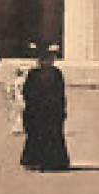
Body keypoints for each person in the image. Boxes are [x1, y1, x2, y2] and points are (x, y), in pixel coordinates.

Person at [20, 43, 70, 171]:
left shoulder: (35, 74)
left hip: (39, 110)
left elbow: (26, 92)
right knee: (51, 136)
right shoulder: (55, 73)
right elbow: (60, 94)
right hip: (49, 110)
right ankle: (52, 162)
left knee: (38, 136)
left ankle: (36, 161)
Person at [5, 61, 29, 135]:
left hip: (16, 99)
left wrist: (10, 98)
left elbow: (10, 90)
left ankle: (16, 128)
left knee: (16, 114)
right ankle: (22, 127)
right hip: (23, 99)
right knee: (23, 114)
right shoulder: (26, 81)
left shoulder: (15, 81)